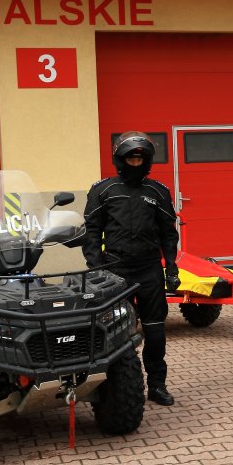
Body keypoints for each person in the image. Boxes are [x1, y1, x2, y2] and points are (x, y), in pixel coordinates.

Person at [83, 131, 181, 406]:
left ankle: (157, 385)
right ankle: (114, 386)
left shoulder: (158, 191)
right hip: (115, 271)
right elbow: (91, 232)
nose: (135, 163)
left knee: (155, 330)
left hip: (149, 270)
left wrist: (171, 268)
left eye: (140, 159)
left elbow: (168, 234)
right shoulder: (103, 190)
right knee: (113, 331)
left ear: (148, 161)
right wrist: (96, 266)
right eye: (131, 158)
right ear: (120, 159)